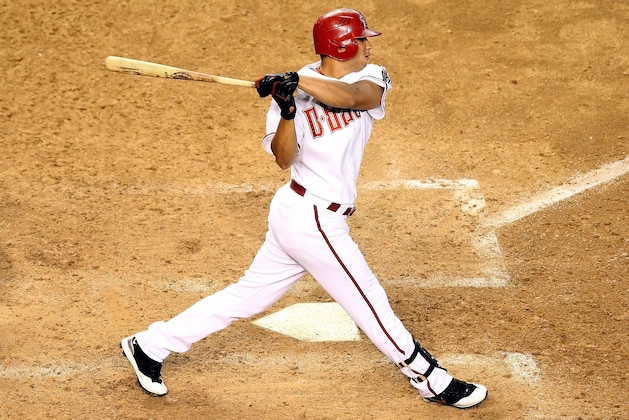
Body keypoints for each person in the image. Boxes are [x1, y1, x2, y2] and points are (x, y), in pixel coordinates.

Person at [120, 8, 488, 409]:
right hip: (309, 216)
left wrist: (299, 83)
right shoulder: (288, 91)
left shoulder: (370, 75)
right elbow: (284, 157)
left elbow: (353, 97)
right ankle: (430, 380)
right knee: (369, 301)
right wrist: (288, 110)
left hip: (307, 216)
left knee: (248, 297)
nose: (369, 45)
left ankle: (149, 345)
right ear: (345, 44)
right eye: (363, 39)